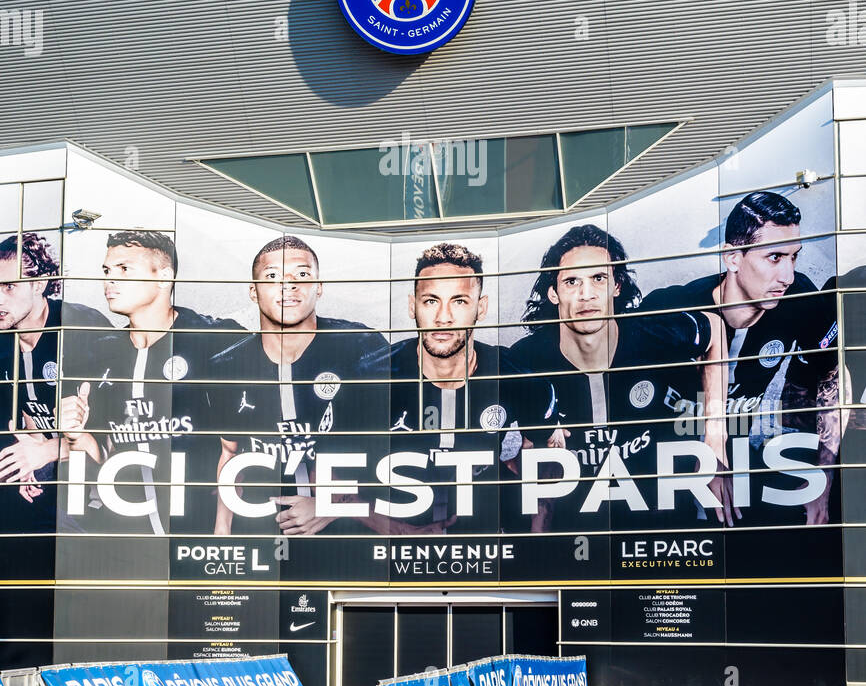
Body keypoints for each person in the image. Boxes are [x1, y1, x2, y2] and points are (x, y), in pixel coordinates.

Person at [508, 223, 729, 532]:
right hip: (578, 525)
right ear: (554, 293)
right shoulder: (525, 360)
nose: (587, 295)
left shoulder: (649, 334)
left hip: (656, 522)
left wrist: (714, 439)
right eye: (572, 282)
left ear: (616, 286)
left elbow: (714, 330)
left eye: (599, 279)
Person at [641, 191, 843, 525]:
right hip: (661, 470)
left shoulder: (800, 300)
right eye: (774, 257)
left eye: (794, 257)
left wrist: (820, 482)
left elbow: (826, 380)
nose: (787, 276)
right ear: (733, 258)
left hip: (737, 468)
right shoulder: (672, 309)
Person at [58, 229, 237, 537]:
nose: (109, 281)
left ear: (164, 276)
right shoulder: (100, 351)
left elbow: (241, 446)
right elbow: (103, 454)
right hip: (120, 537)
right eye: (106, 271)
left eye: (124, 269)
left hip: (196, 535)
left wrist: (222, 531)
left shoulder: (214, 340)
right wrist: (78, 435)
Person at [210, 235, 388, 538]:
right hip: (265, 534)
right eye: (272, 276)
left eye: (301, 275)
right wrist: (222, 531)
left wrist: (329, 506)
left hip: (351, 536)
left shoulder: (361, 346)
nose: (287, 285)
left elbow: (391, 448)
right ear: (253, 292)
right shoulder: (227, 365)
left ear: (319, 287)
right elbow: (230, 453)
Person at [363, 241, 527, 535]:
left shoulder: (512, 372)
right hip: (394, 552)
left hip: (484, 549)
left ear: (482, 306)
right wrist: (402, 532)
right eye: (431, 301)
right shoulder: (374, 376)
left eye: (459, 301)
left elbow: (541, 458)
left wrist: (538, 545)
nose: (443, 317)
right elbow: (335, 479)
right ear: (412, 306)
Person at [0, 233, 106, 567]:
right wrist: (25, 464)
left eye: (9, 287)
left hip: (101, 481)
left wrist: (45, 451)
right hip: (47, 474)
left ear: (40, 284)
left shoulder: (81, 328)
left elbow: (113, 438)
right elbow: (22, 425)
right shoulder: (4, 342)